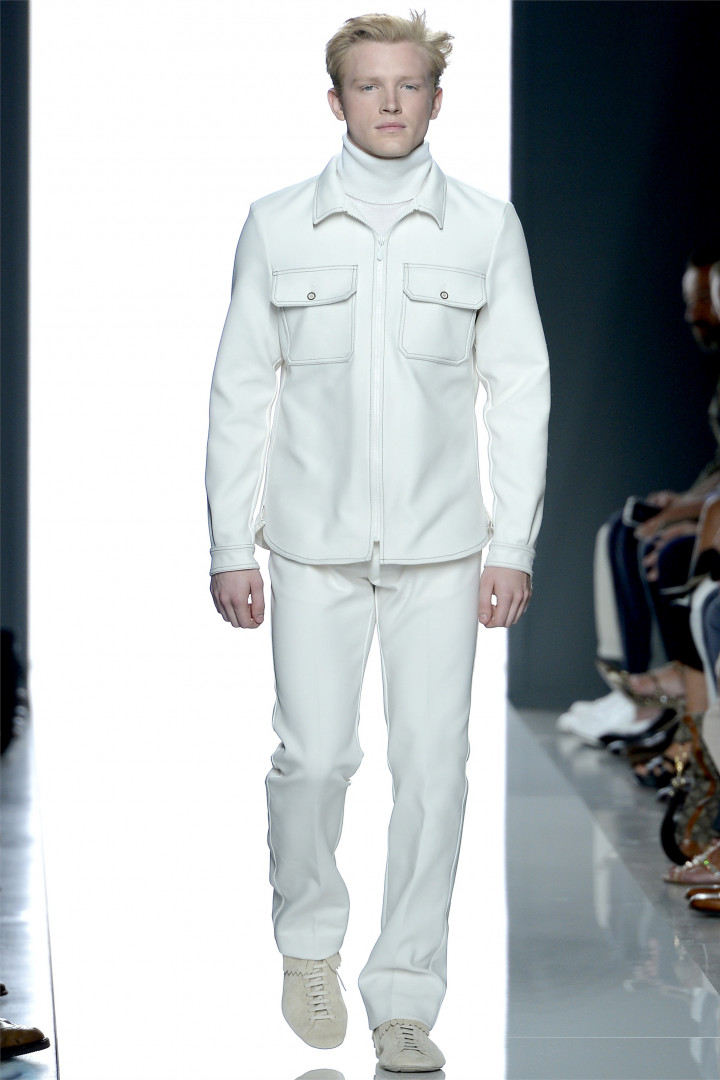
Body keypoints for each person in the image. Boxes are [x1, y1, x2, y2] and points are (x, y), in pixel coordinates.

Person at [205, 11, 549, 1072]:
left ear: (437, 99)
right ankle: (309, 941)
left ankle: (405, 995)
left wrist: (515, 544)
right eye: (369, 85)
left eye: (409, 85)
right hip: (312, 547)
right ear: (336, 99)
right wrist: (229, 544)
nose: (390, 102)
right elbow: (238, 391)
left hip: (444, 551)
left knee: (434, 774)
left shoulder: (485, 228)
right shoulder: (277, 225)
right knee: (313, 759)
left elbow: (520, 392)